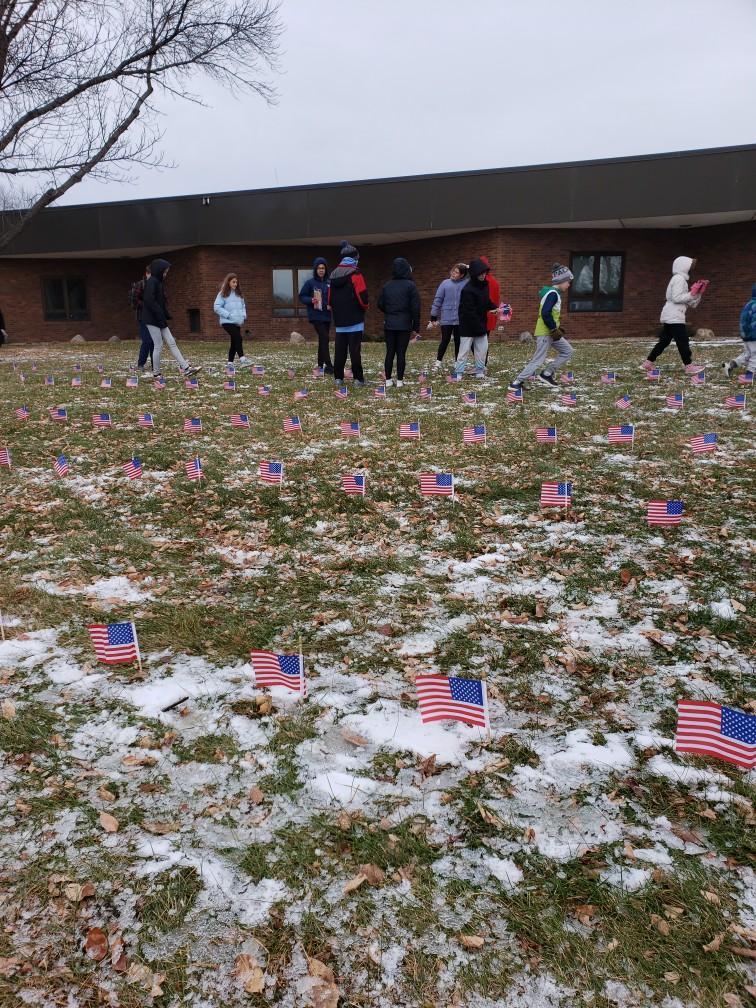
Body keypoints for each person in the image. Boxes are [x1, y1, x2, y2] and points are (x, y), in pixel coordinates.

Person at [508, 265, 574, 392]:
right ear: (560, 281)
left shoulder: (554, 294)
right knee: (538, 360)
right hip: (546, 333)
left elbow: (550, 314)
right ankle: (516, 383)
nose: (569, 285)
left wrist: (556, 328)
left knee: (567, 351)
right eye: (567, 281)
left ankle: (547, 374)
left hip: (552, 332)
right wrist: (553, 328)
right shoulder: (553, 294)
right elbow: (545, 313)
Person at [640, 256, 702, 373]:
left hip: (672, 315)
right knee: (682, 341)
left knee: (664, 341)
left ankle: (648, 363)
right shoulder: (679, 279)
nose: (691, 269)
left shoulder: (680, 279)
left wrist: (698, 293)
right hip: (674, 316)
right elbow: (677, 298)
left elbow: (691, 303)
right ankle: (688, 366)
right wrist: (691, 294)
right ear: (683, 267)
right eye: (689, 267)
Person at [142, 258, 200, 381]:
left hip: (160, 318)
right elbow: (149, 300)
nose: (166, 274)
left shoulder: (159, 282)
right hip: (152, 319)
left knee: (171, 342)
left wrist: (164, 314)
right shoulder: (152, 282)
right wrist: (159, 313)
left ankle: (186, 368)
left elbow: (161, 302)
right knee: (158, 345)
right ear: (159, 270)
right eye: (164, 271)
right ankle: (156, 373)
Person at [328, 242, 369, 386]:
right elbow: (362, 296)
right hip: (355, 319)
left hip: (339, 320)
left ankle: (338, 378)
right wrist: (365, 307)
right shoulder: (355, 273)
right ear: (354, 258)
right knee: (355, 351)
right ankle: (358, 379)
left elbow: (329, 298)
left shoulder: (333, 275)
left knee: (340, 351)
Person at [377, 257, 420, 387]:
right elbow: (416, 307)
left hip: (390, 323)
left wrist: (389, 312)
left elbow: (380, 304)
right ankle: (400, 381)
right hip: (405, 323)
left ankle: (388, 380)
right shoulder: (411, 286)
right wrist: (416, 326)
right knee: (401, 353)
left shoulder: (387, 285)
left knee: (390, 352)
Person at [454, 259, 497, 378]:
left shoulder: (484, 286)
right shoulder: (467, 290)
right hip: (468, 326)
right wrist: (479, 326)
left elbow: (486, 301)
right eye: (480, 273)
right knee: (464, 350)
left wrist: (495, 307)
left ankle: (479, 371)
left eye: (485, 273)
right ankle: (458, 373)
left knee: (482, 350)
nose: (483, 275)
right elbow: (469, 311)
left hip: (481, 323)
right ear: (474, 274)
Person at [429, 263, 468, 368]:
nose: (453, 273)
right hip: (446, 318)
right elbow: (438, 299)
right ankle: (438, 361)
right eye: (453, 271)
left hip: (460, 319)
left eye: (456, 272)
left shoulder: (466, 284)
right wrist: (433, 315)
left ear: (462, 275)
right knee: (445, 340)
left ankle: (457, 362)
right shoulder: (445, 283)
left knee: (458, 341)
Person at [298, 257, 333, 373]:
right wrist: (310, 300)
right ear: (315, 270)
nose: (321, 270)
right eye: (319, 268)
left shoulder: (329, 283)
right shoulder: (310, 283)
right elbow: (302, 296)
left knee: (323, 340)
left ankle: (320, 365)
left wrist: (332, 304)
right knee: (325, 338)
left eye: (323, 268)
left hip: (327, 316)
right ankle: (329, 365)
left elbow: (333, 297)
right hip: (316, 316)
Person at [213, 273, 250, 365]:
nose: (235, 284)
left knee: (234, 342)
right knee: (238, 338)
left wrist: (243, 315)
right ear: (228, 282)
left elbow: (243, 306)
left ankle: (230, 363)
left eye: (236, 282)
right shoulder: (222, 293)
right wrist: (228, 315)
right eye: (233, 282)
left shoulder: (239, 294)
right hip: (227, 321)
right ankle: (243, 360)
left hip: (237, 322)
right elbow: (216, 307)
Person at [723, 282, 756, 378]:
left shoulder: (749, 304)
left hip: (746, 334)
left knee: (748, 354)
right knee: (755, 354)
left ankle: (730, 365)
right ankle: (749, 375)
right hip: (753, 334)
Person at [130, 266, 153, 375]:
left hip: (154, 317)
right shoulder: (141, 284)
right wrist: (145, 305)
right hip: (143, 316)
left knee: (154, 342)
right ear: (147, 273)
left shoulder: (157, 285)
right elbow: (134, 300)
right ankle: (141, 363)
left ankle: (155, 364)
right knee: (147, 340)